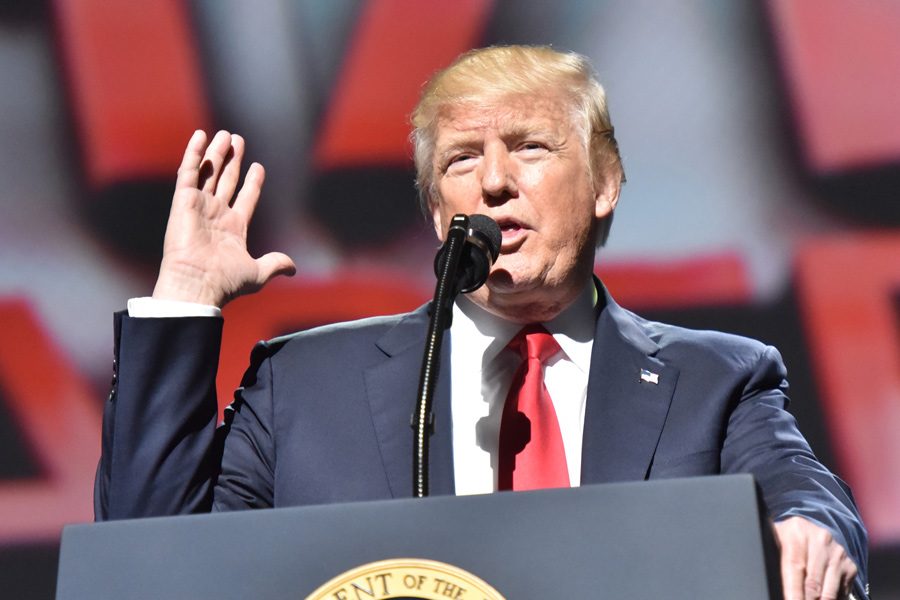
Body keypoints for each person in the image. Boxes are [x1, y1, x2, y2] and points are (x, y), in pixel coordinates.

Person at [95, 46, 868, 599]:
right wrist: (185, 293)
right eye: (462, 161)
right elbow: (148, 559)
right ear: (439, 215)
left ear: (605, 184)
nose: (494, 182)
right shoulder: (301, 385)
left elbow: (806, 495)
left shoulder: (716, 379)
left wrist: (809, 528)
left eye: (530, 147)